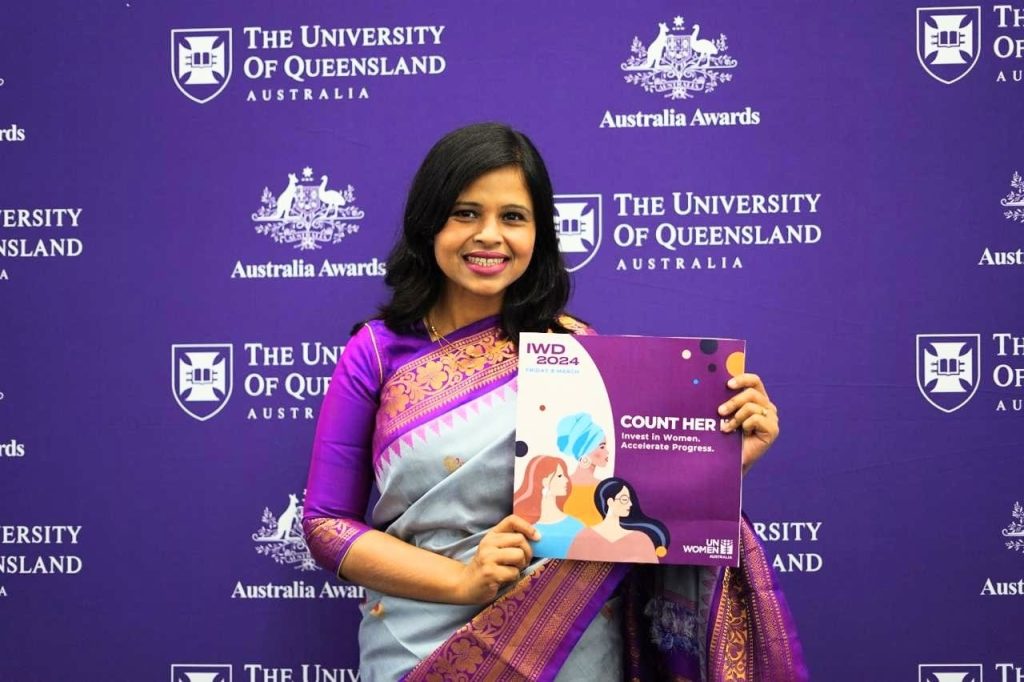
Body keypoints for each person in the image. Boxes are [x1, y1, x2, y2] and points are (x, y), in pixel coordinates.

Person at [302, 123, 808, 681]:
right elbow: (327, 525)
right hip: (416, 649)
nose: (489, 235)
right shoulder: (375, 353)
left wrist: (723, 462)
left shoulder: (578, 354)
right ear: (429, 225)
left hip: (568, 649)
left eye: (513, 217)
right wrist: (463, 581)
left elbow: (625, 508)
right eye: (465, 213)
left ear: (539, 233)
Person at [566, 477, 667, 564]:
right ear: (610, 501)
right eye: (624, 499)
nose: (630, 504)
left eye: (630, 499)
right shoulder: (584, 536)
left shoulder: (641, 539)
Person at [513, 455, 585, 557]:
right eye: (560, 476)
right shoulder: (522, 527)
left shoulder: (578, 526)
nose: (566, 480)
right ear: (544, 481)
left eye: (565, 475)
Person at [556, 412, 609, 527]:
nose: (607, 452)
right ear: (585, 451)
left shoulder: (605, 487)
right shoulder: (562, 486)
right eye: (602, 447)